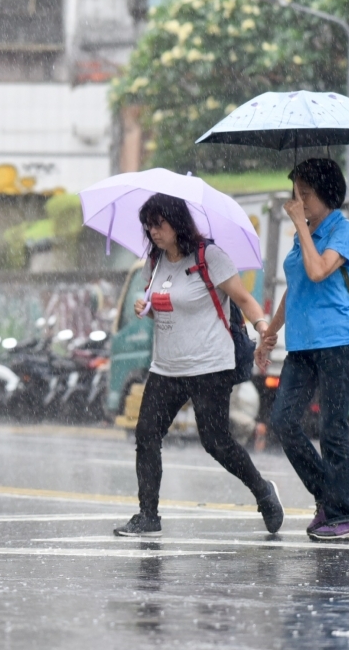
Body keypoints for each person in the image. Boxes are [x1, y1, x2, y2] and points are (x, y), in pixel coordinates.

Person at [113, 193, 284, 537]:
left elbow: (244, 299)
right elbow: (153, 298)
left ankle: (263, 491)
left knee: (216, 442)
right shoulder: (156, 261)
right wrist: (141, 305)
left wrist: (264, 328)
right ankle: (149, 515)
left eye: (159, 224)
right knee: (146, 434)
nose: (153, 231)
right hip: (166, 366)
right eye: (148, 225)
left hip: (209, 365)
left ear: (177, 222)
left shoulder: (211, 257)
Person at [255, 158, 349, 541]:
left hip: (337, 340)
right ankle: (329, 499)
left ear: (327, 194)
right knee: (283, 420)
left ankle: (343, 515)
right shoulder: (306, 234)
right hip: (302, 344)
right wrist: (270, 333)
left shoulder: (343, 231)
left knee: (333, 427)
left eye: (305, 194)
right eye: (295, 194)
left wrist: (301, 224)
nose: (298, 201)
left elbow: (319, 271)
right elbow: (296, 285)